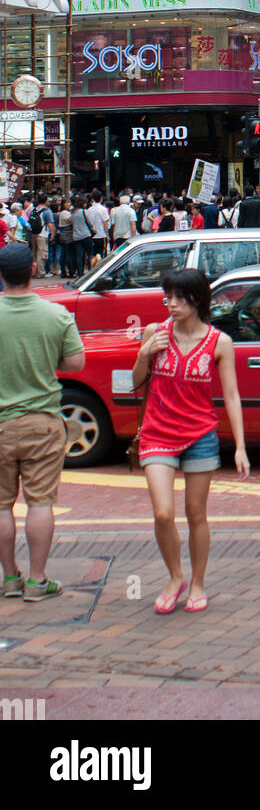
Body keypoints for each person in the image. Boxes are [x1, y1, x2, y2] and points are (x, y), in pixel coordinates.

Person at [132, 269, 250, 614]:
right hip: (157, 433)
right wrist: (144, 354)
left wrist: (240, 445)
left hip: (200, 435)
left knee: (195, 513)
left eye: (177, 298)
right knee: (163, 512)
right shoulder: (155, 332)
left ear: (196, 300)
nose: (169, 304)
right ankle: (175, 577)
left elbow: (231, 395)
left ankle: (198, 582)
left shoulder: (219, 342)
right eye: (166, 297)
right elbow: (136, 382)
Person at [0, 243, 85, 601]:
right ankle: (37, 581)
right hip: (43, 420)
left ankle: (9, 579)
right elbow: (75, 363)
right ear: (33, 269)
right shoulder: (57, 314)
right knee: (39, 502)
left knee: (2, 505)